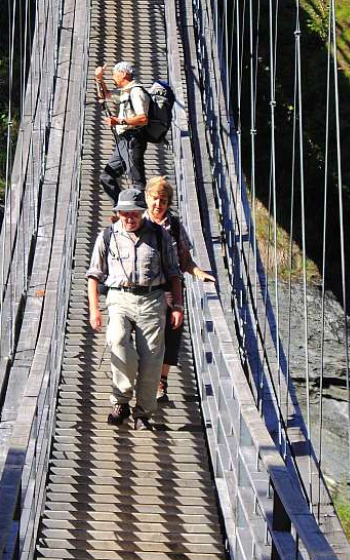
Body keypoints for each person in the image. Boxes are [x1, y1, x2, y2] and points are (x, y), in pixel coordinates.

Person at [86, 189, 183, 430]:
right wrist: (94, 310)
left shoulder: (160, 236)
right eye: (125, 213)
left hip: (152, 300)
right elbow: (94, 276)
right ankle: (121, 399)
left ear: (142, 213)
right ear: (118, 213)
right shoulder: (107, 236)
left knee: (151, 359)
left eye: (135, 214)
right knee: (117, 340)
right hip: (119, 298)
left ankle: (144, 413)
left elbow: (174, 273)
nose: (130, 218)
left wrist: (178, 306)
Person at [142, 177, 216, 401]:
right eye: (155, 199)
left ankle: (161, 383)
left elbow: (185, 262)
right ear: (147, 198)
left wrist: (200, 273)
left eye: (163, 200)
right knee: (144, 335)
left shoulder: (175, 227)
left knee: (172, 334)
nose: (158, 204)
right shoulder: (137, 222)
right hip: (144, 289)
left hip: (171, 288)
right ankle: (145, 379)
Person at [94, 61, 150, 204]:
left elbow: (143, 118)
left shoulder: (136, 91)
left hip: (134, 139)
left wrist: (119, 121)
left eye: (114, 75)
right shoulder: (124, 91)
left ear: (123, 74)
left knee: (137, 182)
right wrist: (99, 79)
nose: (113, 78)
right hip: (124, 141)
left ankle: (142, 214)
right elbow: (104, 96)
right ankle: (123, 208)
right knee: (107, 177)